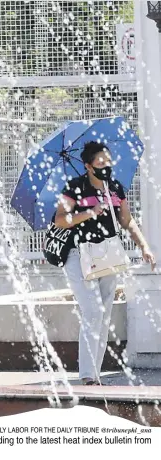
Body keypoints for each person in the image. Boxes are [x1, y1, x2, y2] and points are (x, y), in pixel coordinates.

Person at [55, 141, 156, 385]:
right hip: (79, 256)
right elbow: (60, 220)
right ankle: (88, 375)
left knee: (104, 314)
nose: (106, 166)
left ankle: (94, 374)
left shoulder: (115, 189)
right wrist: (89, 212)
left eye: (108, 162)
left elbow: (127, 221)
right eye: (100, 163)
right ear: (88, 166)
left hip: (107, 255)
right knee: (93, 311)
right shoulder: (75, 188)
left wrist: (144, 246)